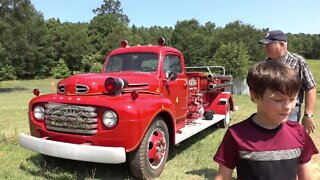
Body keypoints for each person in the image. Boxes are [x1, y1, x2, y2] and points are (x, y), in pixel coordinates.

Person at [213, 61, 318, 180]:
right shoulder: (236, 134)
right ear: (255, 96)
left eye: (292, 99)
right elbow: (222, 177)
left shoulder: (299, 133)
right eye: (278, 100)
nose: (288, 106)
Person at [258, 30, 317, 134]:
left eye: (269, 44)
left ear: (281, 45)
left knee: (287, 141)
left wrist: (308, 115)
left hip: (290, 111)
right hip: (268, 109)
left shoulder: (298, 61)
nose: (265, 47)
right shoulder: (265, 63)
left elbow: (310, 88)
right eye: (264, 44)